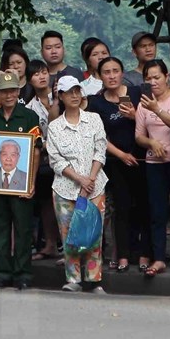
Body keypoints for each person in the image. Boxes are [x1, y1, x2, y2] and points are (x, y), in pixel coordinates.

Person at [0, 71, 42, 290]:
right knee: (0, 229)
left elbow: (36, 152)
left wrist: (31, 182)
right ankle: (4, 273)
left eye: (12, 90)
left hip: (21, 185)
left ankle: (23, 274)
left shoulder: (29, 117)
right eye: (3, 91)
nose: (9, 95)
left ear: (18, 91)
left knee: (23, 230)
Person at [88, 56, 151, 272]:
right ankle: (123, 256)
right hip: (116, 162)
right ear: (100, 76)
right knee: (122, 209)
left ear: (122, 73)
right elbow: (98, 136)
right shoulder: (96, 102)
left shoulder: (137, 94)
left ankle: (144, 254)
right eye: (107, 72)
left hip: (143, 159)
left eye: (116, 71)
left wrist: (136, 116)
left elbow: (153, 124)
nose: (112, 76)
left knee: (144, 207)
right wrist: (121, 154)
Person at [46, 76, 108, 292]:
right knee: (69, 235)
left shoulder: (94, 119)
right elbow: (56, 160)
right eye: (68, 92)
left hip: (95, 186)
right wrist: (79, 179)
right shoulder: (54, 127)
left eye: (77, 91)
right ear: (60, 96)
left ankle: (94, 279)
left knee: (94, 233)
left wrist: (89, 179)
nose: (74, 95)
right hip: (65, 188)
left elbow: (100, 150)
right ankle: (73, 280)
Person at [135, 59, 170, 277]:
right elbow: (139, 136)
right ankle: (158, 258)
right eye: (148, 78)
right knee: (157, 212)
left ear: (167, 76)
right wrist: (151, 143)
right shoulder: (143, 103)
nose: (153, 82)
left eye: (157, 77)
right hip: (153, 163)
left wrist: (157, 109)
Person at [25, 59, 61, 260]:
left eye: (44, 72)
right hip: (45, 160)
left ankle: (68, 246)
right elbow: (34, 138)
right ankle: (49, 244)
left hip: (68, 157)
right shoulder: (30, 107)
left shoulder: (63, 96)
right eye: (36, 74)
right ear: (30, 80)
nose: (42, 76)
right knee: (47, 203)